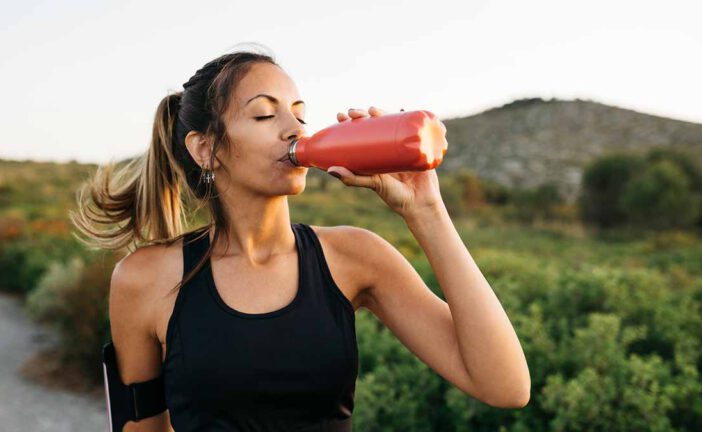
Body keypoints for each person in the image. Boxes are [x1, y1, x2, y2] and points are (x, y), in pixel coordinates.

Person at [71, 45, 530, 431]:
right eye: (265, 114)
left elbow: (505, 386)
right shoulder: (145, 279)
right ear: (206, 148)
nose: (294, 129)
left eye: (299, 113)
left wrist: (426, 210)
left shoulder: (355, 256)